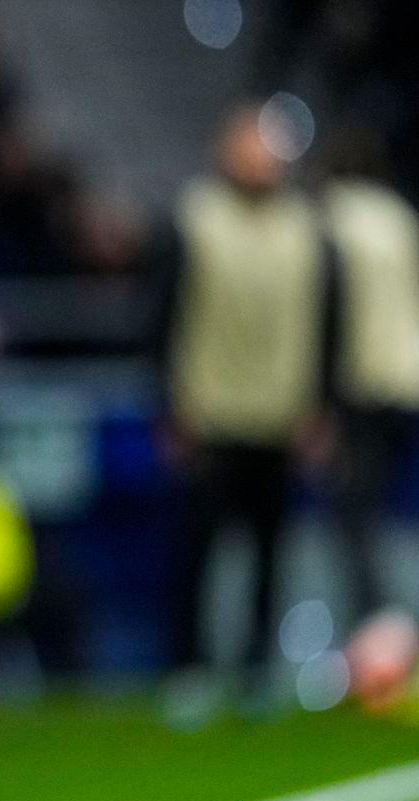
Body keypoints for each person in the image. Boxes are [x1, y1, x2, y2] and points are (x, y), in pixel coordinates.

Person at [152, 105, 337, 714]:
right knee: (196, 546)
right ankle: (189, 667)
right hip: (209, 409)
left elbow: (326, 321)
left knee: (269, 549)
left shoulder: (305, 228)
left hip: (280, 412)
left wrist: (318, 405)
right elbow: (166, 317)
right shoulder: (196, 218)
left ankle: (258, 666)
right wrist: (169, 404)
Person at [318, 128, 419, 625]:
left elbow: (325, 308)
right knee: (388, 513)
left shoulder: (332, 217)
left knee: (355, 515)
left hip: (358, 384)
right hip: (409, 378)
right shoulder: (400, 216)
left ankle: (374, 623)